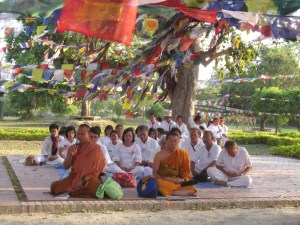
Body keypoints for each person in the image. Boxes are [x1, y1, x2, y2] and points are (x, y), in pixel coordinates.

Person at [50, 124, 106, 197]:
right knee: (55, 187)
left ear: (89, 135)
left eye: (82, 134)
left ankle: (75, 190)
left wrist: (82, 180)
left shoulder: (95, 148)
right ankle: (76, 190)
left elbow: (96, 170)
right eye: (78, 133)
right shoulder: (73, 147)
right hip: (74, 177)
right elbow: (65, 167)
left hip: (89, 178)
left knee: (95, 188)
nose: (79, 136)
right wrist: (71, 154)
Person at [153, 132, 196, 196]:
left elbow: (186, 174)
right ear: (166, 141)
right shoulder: (159, 155)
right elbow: (155, 173)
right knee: (160, 183)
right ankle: (174, 192)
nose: (173, 144)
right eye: (170, 141)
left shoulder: (183, 154)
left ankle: (169, 192)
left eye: (175, 141)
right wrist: (165, 179)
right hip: (164, 180)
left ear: (178, 142)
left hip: (178, 181)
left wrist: (182, 179)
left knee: (192, 188)